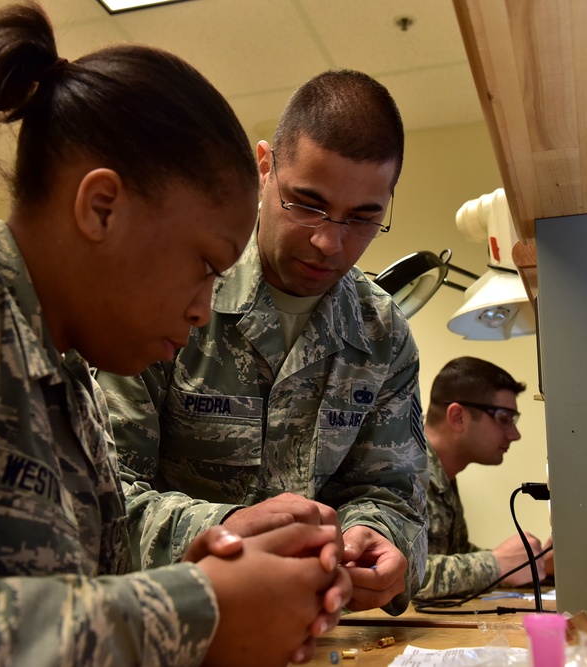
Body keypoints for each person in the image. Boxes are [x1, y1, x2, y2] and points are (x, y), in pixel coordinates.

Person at [0, 3, 349, 666]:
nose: (204, 310)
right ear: (102, 207)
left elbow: (58, 604)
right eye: (206, 266)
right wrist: (194, 609)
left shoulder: (69, 380)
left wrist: (207, 573)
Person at [98, 69, 428, 615]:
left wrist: (383, 542)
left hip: (312, 634)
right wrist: (226, 532)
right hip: (168, 626)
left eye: (364, 218)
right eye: (308, 204)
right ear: (265, 166)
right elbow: (102, 496)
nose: (330, 242)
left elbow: (396, 497)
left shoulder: (382, 334)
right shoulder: (176, 286)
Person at [415, 357, 552, 601]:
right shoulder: (402, 473)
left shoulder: (441, 474)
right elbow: (395, 576)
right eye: (503, 418)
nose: (515, 434)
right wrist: (495, 565)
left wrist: (528, 564)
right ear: (458, 417)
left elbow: (454, 556)